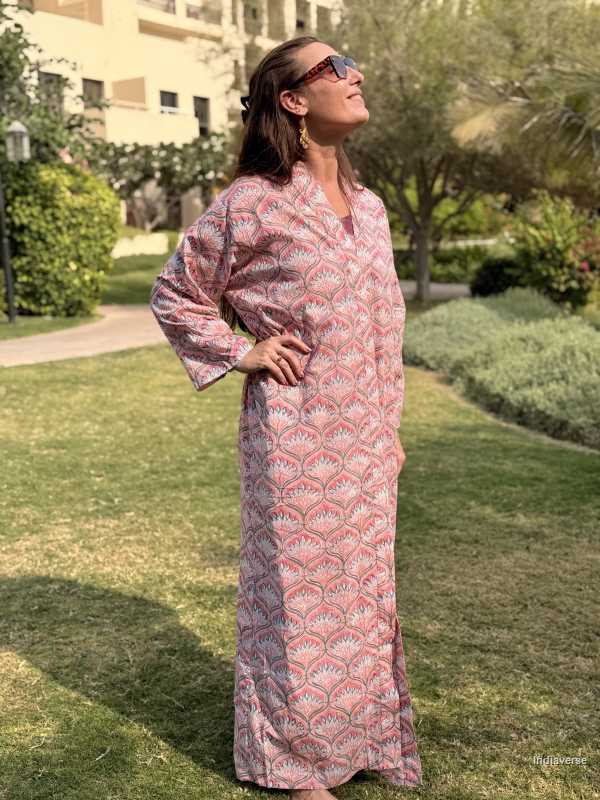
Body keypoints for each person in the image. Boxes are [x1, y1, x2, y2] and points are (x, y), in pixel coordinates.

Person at [149, 34, 422, 799]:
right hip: (295, 440)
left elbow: (383, 335)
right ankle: (298, 766)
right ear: (294, 100)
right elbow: (176, 292)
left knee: (366, 598)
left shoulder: (368, 210)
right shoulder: (251, 204)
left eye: (351, 62)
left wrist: (391, 430)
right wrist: (243, 352)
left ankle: (361, 735)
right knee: (299, 607)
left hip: (367, 443)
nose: (354, 73)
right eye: (334, 68)